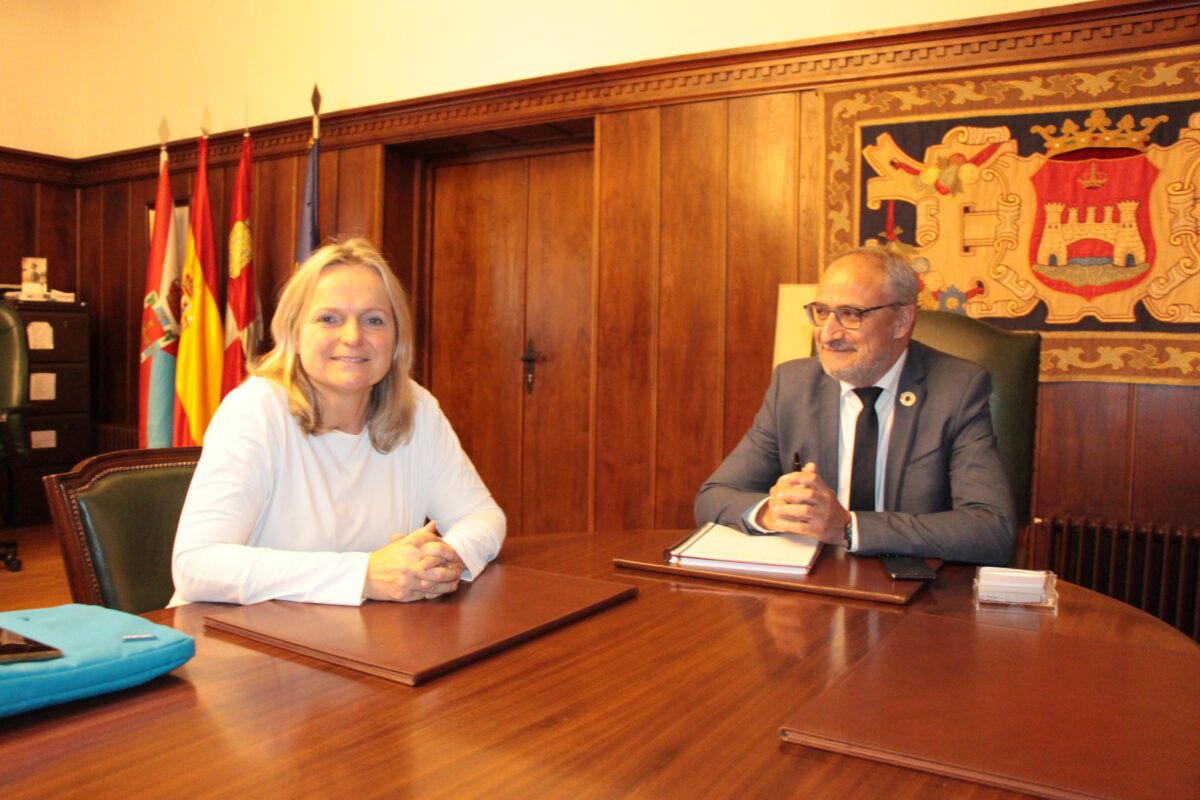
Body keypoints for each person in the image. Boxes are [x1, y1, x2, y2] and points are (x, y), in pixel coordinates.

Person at [171, 238, 505, 605]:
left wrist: (445, 558)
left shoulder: (417, 408)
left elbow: (482, 516)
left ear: (396, 340)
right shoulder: (255, 409)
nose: (352, 337)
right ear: (294, 334)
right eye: (328, 319)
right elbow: (196, 566)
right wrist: (363, 575)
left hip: (363, 639)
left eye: (374, 320)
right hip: (239, 639)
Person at [694, 246, 1015, 565]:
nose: (828, 334)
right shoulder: (792, 385)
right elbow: (714, 496)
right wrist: (771, 512)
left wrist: (849, 530)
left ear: (902, 321)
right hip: (815, 589)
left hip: (917, 592)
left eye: (851, 314)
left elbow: (991, 530)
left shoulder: (956, 388)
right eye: (821, 312)